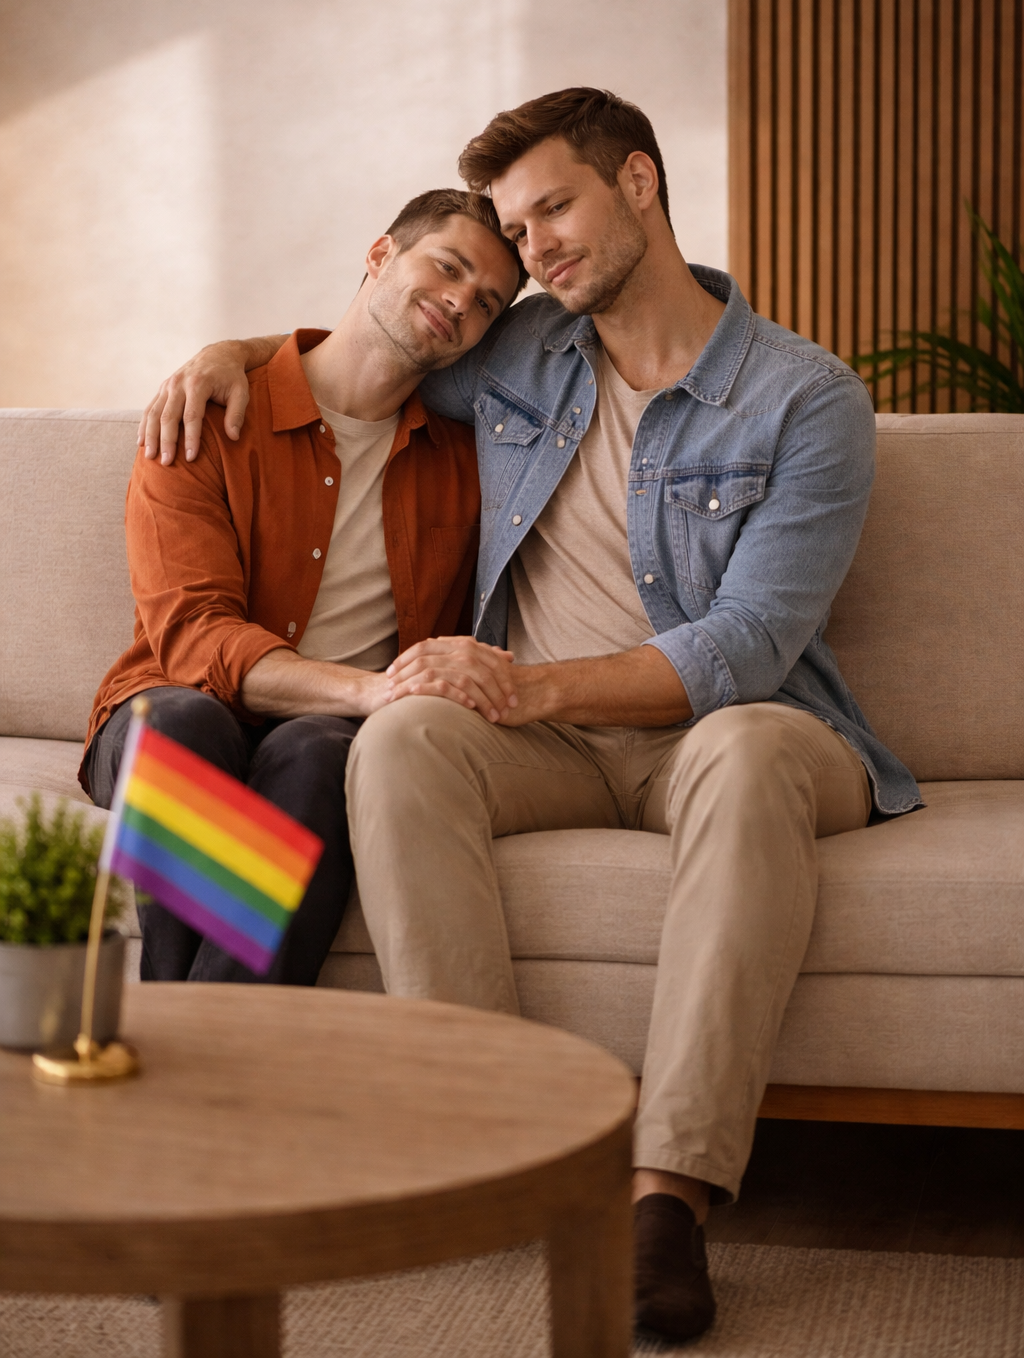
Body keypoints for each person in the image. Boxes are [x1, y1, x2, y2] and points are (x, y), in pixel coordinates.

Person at [141, 89, 920, 1341]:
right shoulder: (523, 352)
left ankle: (665, 1195)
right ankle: (494, 1141)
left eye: (554, 207)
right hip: (545, 749)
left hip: (734, 729)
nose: (535, 251)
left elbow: (748, 646)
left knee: (746, 743)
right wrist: (225, 353)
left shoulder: (804, 397)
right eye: (513, 226)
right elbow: (372, 342)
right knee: (395, 735)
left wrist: (527, 682)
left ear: (641, 184)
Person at [83, 188, 524, 987]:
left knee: (321, 753)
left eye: (487, 302)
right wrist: (372, 690)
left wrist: (362, 706)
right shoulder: (206, 415)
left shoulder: (472, 457)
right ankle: (227, 1052)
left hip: (326, 737)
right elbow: (191, 639)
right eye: (448, 267)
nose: (461, 302)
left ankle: (183, 1038)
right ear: (381, 253)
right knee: (184, 724)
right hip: (175, 707)